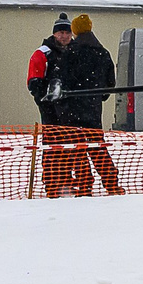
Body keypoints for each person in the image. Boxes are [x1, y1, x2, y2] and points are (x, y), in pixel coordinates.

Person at [55, 14, 124, 194]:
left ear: (75, 31)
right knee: (98, 147)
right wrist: (99, 97)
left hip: (72, 110)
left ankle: (84, 184)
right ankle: (111, 183)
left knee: (78, 150)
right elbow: (110, 82)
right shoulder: (102, 52)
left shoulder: (70, 52)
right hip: (93, 109)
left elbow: (61, 80)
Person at [27, 15, 75, 193]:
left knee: (68, 145)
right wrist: (45, 100)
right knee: (52, 145)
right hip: (51, 109)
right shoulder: (42, 53)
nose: (64, 36)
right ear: (55, 34)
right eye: (61, 32)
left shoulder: (75, 52)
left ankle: (66, 179)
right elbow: (34, 82)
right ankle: (52, 181)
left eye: (67, 32)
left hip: (70, 107)